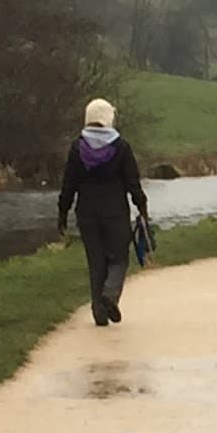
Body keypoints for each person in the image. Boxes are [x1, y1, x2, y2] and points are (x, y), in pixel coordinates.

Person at [58, 99, 150, 327]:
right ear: (109, 117)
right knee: (119, 257)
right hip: (115, 211)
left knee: (96, 261)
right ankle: (110, 295)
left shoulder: (77, 148)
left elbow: (69, 183)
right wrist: (142, 206)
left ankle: (99, 312)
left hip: (87, 212)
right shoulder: (121, 147)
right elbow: (132, 182)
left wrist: (62, 211)